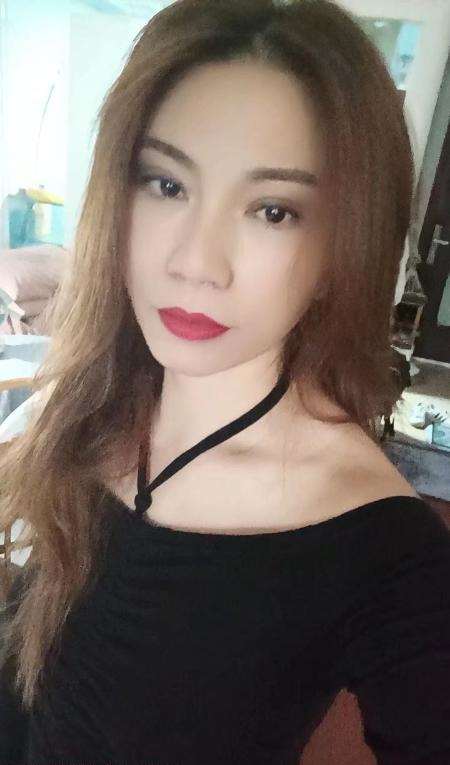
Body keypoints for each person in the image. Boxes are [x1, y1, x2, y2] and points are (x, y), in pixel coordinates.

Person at [1, 0, 449, 763]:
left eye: (273, 210)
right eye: (166, 184)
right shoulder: (91, 401)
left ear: (344, 243)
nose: (195, 262)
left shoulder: (378, 545)